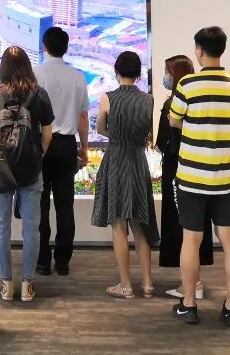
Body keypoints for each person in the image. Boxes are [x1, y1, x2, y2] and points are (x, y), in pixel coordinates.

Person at [168, 26, 230, 328]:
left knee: (191, 238)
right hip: (224, 176)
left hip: (191, 175)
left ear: (199, 50)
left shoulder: (187, 84)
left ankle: (189, 304)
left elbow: (174, 120)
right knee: (229, 239)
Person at [91, 50, 159, 299]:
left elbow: (100, 129)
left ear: (116, 71)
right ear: (139, 73)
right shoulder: (148, 99)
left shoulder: (108, 98)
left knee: (119, 225)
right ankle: (148, 284)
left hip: (116, 160)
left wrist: (117, 135)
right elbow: (148, 132)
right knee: (141, 225)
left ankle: (126, 286)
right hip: (138, 162)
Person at [0, 46, 54, 304]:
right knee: (32, 229)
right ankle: (27, 284)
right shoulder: (39, 94)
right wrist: (37, 155)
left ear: (3, 68)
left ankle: (6, 284)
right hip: (31, 168)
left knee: (0, 227)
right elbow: (47, 134)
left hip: (2, 169)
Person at [157, 54, 213, 299]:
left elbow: (164, 142)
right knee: (196, 225)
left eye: (167, 72)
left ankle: (191, 285)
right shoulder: (199, 101)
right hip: (198, 169)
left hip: (177, 171)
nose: (165, 77)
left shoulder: (173, 105)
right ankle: (194, 280)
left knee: (182, 226)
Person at [34, 26, 88, 277]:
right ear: (66, 48)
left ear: (44, 46)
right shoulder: (77, 77)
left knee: (40, 205)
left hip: (41, 145)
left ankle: (42, 260)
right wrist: (84, 148)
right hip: (67, 145)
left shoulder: (35, 74)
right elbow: (83, 117)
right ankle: (63, 261)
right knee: (65, 206)